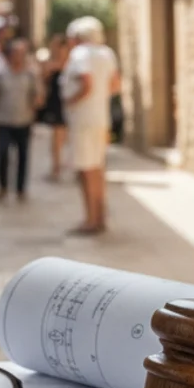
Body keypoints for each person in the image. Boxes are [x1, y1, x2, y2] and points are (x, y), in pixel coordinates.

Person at [61, 16, 120, 236]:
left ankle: (90, 219)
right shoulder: (107, 53)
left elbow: (86, 83)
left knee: (85, 171)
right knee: (97, 168)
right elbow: (115, 85)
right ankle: (100, 215)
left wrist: (71, 100)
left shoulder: (81, 54)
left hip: (83, 120)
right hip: (101, 118)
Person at [0, 38, 42, 202]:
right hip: (4, 120)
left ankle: (20, 189)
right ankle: (3, 186)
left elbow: (38, 97)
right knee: (3, 154)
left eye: (21, 53)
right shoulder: (1, 75)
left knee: (23, 156)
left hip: (23, 121)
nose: (18, 57)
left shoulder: (30, 75)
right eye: (15, 53)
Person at [38, 34, 70, 181]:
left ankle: (66, 165)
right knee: (57, 135)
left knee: (67, 135)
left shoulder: (71, 62)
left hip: (69, 101)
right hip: (56, 101)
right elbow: (43, 78)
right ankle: (56, 167)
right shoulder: (50, 62)